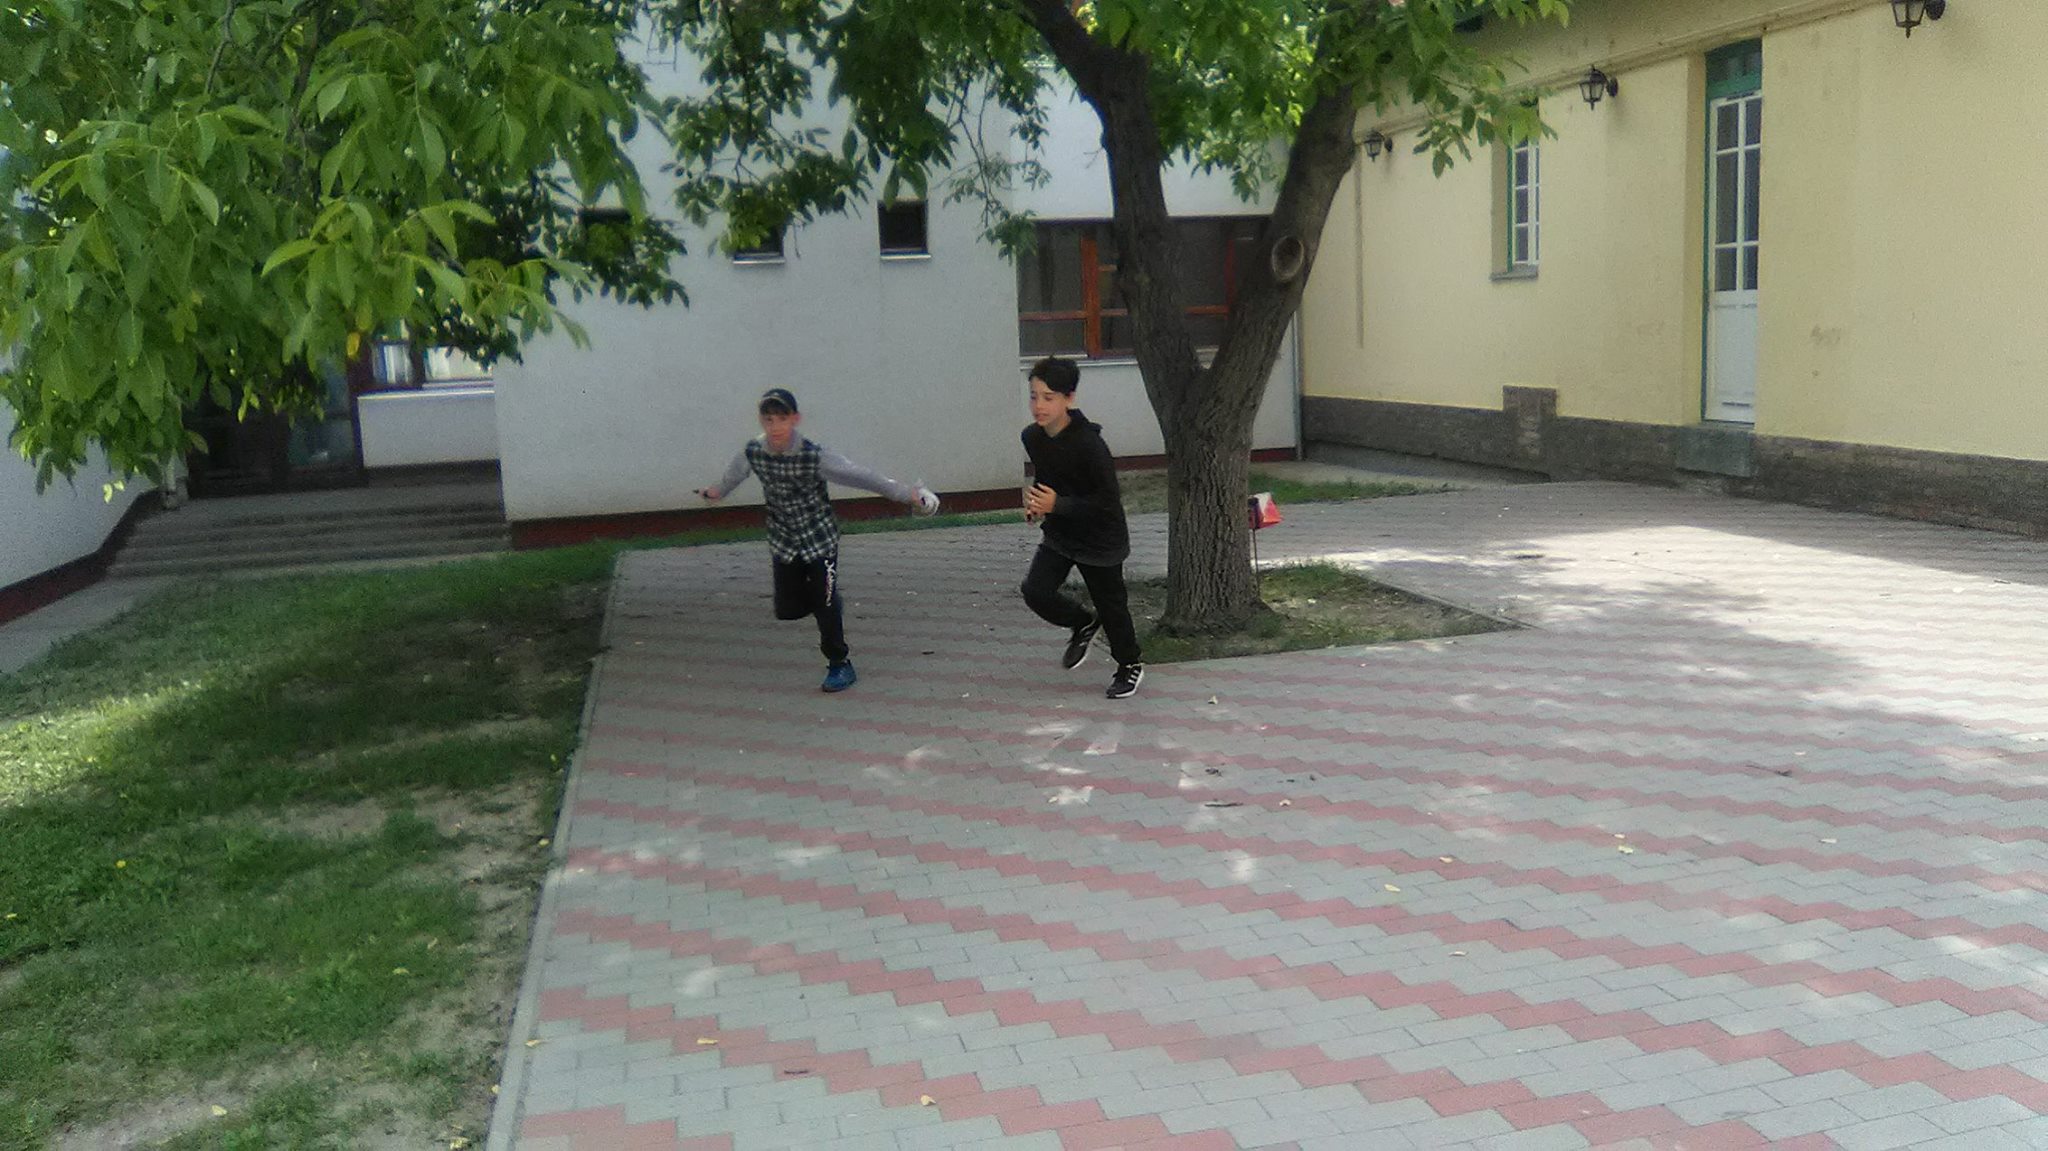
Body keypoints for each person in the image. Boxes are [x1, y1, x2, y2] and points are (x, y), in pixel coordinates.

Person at [700, 388, 940, 692]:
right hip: (784, 541)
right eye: (768, 419)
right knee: (788, 610)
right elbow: (733, 475)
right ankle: (825, 597)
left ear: (795, 419)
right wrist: (716, 493)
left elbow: (861, 476)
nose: (775, 426)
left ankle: (839, 662)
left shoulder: (814, 455)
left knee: (824, 603)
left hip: (819, 539)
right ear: (761, 421)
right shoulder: (754, 451)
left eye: (782, 419)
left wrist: (909, 495)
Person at [1019, 356, 1144, 699]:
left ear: (1069, 398)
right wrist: (1037, 504)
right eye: (1033, 396)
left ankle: (1129, 664)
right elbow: (1047, 475)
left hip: (1101, 538)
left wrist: (1056, 504)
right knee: (1035, 591)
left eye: (1048, 397)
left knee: (1111, 606)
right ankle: (1082, 623)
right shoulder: (1032, 437)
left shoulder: (1090, 445)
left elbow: (1108, 501)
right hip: (1062, 533)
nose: (1039, 406)